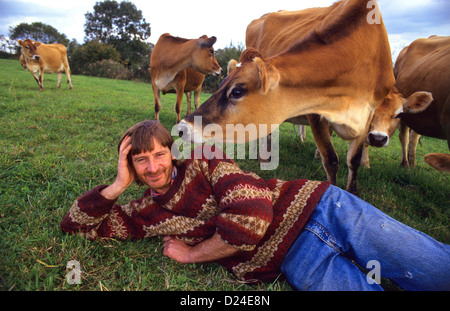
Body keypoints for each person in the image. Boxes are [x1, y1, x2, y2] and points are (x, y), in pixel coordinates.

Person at [61, 120, 450, 291]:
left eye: (158, 155)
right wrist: (116, 186)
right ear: (130, 164)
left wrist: (193, 254)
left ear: (172, 152)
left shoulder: (207, 161)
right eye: (140, 160)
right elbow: (75, 226)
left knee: (438, 270)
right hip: (293, 259)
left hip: (322, 207)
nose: (152, 167)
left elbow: (252, 218)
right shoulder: (145, 213)